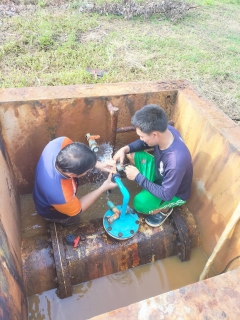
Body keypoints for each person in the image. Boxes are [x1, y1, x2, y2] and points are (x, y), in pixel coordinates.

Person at [113, 104, 193, 227]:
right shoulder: (167, 131)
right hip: (160, 173)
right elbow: (143, 144)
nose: (141, 139)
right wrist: (125, 148)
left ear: (155, 134)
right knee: (132, 154)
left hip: (174, 193)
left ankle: (164, 210)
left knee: (140, 203)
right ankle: (149, 187)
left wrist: (138, 177)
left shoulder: (176, 161)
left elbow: (167, 194)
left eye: (142, 136)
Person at [33, 136, 117, 225]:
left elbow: (79, 154)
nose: (89, 171)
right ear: (72, 175)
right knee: (73, 220)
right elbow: (79, 208)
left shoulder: (60, 143)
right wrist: (103, 187)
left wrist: (99, 164)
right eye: (87, 171)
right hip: (52, 211)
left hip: (43, 189)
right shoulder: (61, 196)